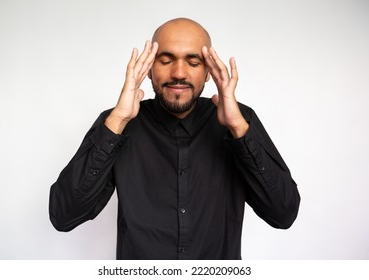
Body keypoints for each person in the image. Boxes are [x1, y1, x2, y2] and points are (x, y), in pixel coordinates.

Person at [49, 18, 300, 260]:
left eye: (193, 62)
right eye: (166, 60)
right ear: (148, 69)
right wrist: (117, 121)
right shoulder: (117, 123)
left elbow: (283, 214)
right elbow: (63, 216)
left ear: (209, 72)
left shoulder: (240, 120)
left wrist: (238, 128)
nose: (178, 73)